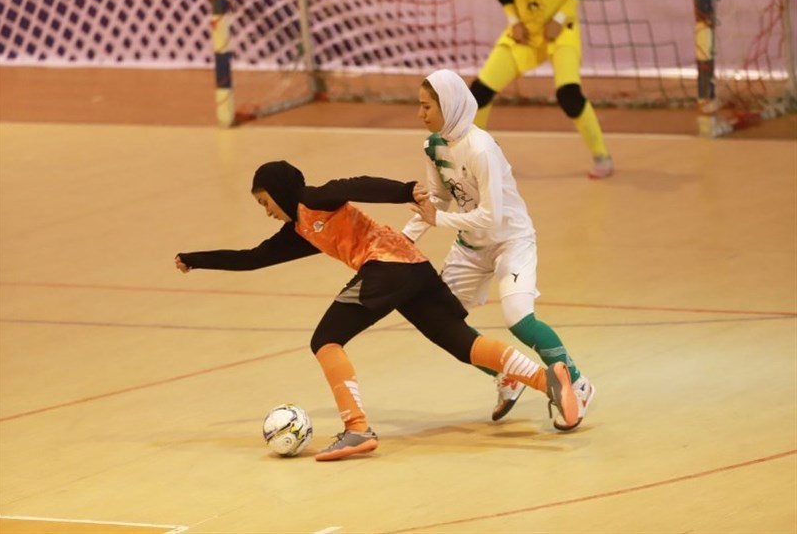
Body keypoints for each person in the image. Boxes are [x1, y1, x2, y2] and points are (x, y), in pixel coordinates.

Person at [175, 160, 578, 461]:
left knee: (326, 340)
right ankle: (548, 380)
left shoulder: (313, 198)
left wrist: (406, 191)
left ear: (279, 191)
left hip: (386, 267)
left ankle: (357, 429)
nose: (266, 210)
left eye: (265, 202)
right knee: (462, 344)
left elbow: (357, 185)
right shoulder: (298, 230)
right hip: (413, 267)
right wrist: (195, 259)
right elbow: (252, 259)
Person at [404, 68, 595, 430]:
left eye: (426, 106)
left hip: (510, 241)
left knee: (518, 318)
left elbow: (490, 217)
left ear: (449, 105)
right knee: (440, 322)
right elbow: (438, 200)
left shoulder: (481, 148)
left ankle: (578, 384)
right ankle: (506, 375)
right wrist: (401, 240)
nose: (420, 114)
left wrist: (438, 221)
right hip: (470, 246)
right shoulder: (433, 146)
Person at [470, 0, 614, 179]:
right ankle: (478, 156)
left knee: (569, 95)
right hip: (526, 32)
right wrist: (514, 21)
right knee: (478, 93)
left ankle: (601, 156)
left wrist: (560, 19)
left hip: (561, 31)